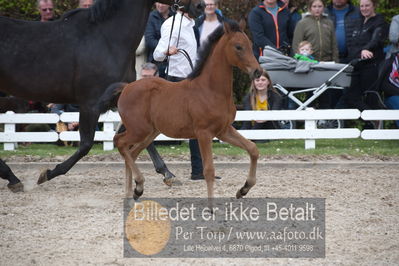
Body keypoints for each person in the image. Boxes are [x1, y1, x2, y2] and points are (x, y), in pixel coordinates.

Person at [154, 10, 218, 181]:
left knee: (200, 126)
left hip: (192, 80)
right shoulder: (172, 24)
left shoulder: (191, 25)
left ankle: (199, 171)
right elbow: (157, 54)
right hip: (176, 80)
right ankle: (198, 170)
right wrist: (168, 51)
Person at [337, 0, 388, 112]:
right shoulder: (358, 21)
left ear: (374, 5)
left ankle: (373, 125)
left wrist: (366, 49)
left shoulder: (380, 22)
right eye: (362, 6)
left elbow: (376, 40)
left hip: (371, 65)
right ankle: (372, 120)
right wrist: (358, 52)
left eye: (367, 5)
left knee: (370, 97)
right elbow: (353, 44)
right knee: (351, 97)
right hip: (356, 64)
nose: (364, 8)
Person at [144, 2, 173, 79]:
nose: (160, 5)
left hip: (172, 61)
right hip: (156, 62)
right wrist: (166, 49)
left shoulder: (175, 16)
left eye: (163, 3)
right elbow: (150, 40)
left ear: (169, 3)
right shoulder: (151, 17)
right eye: (158, 3)